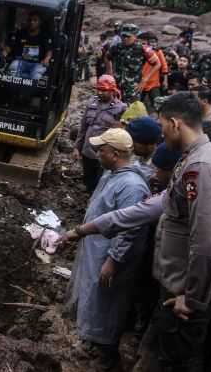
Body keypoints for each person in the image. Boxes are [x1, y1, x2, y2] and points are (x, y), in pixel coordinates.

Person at [67, 92, 211, 371]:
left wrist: (191, 298)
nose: (160, 134)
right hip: (179, 284)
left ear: (176, 123)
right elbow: (153, 206)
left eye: (162, 125)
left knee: (177, 361)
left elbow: (205, 241)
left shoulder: (201, 167)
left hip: (186, 291)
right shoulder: (193, 158)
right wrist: (88, 228)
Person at [66, 128, 149, 370]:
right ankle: (93, 339)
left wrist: (113, 260)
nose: (96, 153)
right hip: (96, 251)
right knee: (94, 298)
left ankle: (105, 352)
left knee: (107, 303)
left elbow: (130, 230)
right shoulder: (112, 174)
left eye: (101, 150)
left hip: (107, 256)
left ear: (114, 154)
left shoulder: (131, 186)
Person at [75, 76, 127, 193]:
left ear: (112, 91)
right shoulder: (92, 103)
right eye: (98, 90)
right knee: (88, 175)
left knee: (101, 181)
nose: (100, 93)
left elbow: (122, 134)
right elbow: (83, 127)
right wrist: (77, 147)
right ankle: (88, 190)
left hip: (104, 153)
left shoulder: (121, 108)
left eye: (104, 90)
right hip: (87, 149)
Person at [105, 23, 159, 103]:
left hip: (133, 88)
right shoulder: (116, 47)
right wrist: (110, 72)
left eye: (128, 36)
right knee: (115, 109)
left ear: (135, 36)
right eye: (123, 36)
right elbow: (107, 57)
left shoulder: (143, 49)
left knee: (131, 112)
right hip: (116, 86)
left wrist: (145, 80)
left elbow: (157, 64)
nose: (125, 39)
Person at [6, 12, 54, 80]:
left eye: (35, 20)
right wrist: (3, 54)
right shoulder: (20, 33)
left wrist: (47, 59)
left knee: (37, 76)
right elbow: (9, 46)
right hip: (20, 62)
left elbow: (49, 51)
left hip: (37, 64)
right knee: (12, 68)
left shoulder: (45, 36)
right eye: (30, 20)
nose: (32, 22)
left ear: (40, 22)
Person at [137, 32, 168, 112]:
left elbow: (164, 67)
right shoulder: (140, 52)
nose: (152, 44)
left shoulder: (158, 52)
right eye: (150, 42)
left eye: (154, 42)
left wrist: (165, 80)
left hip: (153, 82)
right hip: (141, 82)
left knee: (157, 102)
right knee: (137, 102)